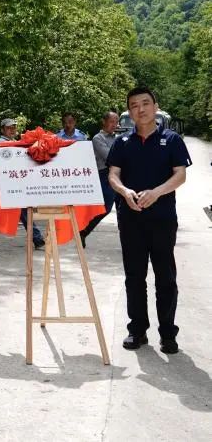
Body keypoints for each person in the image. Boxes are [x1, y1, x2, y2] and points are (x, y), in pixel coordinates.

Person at [107, 86, 191, 354]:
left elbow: (180, 175)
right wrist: (124, 191)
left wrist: (156, 192)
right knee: (134, 276)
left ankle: (167, 333)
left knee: (165, 276)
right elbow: (113, 175)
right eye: (134, 105)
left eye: (145, 103)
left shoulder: (172, 139)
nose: (140, 109)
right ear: (129, 111)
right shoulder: (122, 142)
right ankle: (137, 330)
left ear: (155, 107)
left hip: (162, 218)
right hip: (130, 218)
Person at [0, 118, 45, 251]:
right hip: (4, 185)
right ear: (2, 130)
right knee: (0, 213)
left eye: (13, 127)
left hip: (14, 184)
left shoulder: (13, 143)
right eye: (9, 128)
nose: (12, 130)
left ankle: (37, 238)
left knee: (23, 212)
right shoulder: (0, 145)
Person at [79, 111, 119, 247]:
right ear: (104, 122)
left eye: (116, 122)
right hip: (105, 174)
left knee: (123, 209)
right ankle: (84, 231)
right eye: (112, 121)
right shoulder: (98, 138)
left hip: (120, 174)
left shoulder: (117, 138)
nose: (114, 125)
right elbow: (109, 157)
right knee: (105, 208)